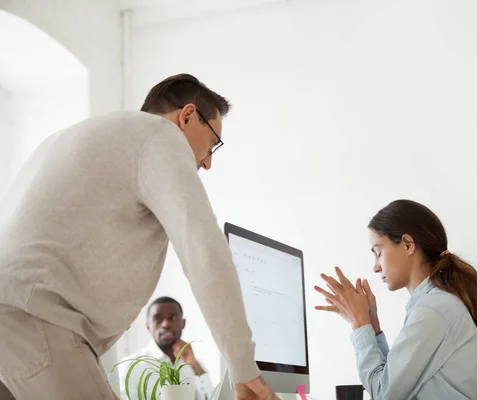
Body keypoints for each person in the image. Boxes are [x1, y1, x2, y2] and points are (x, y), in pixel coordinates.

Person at [0, 74, 277, 400]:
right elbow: (203, 250)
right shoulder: (160, 136)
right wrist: (244, 369)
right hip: (38, 321)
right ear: (187, 116)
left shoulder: (72, 138)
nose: (208, 161)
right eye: (213, 142)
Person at [314, 199, 477, 399]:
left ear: (408, 245)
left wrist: (359, 324)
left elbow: (384, 394)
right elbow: (397, 382)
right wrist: (372, 328)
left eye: (378, 253)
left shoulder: (432, 311)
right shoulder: (436, 304)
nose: (375, 266)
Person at [119, 297, 214, 400]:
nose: (166, 324)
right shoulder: (130, 365)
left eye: (172, 318)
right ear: (148, 326)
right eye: (158, 319)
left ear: (183, 323)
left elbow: (214, 397)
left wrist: (194, 364)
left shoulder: (193, 364)